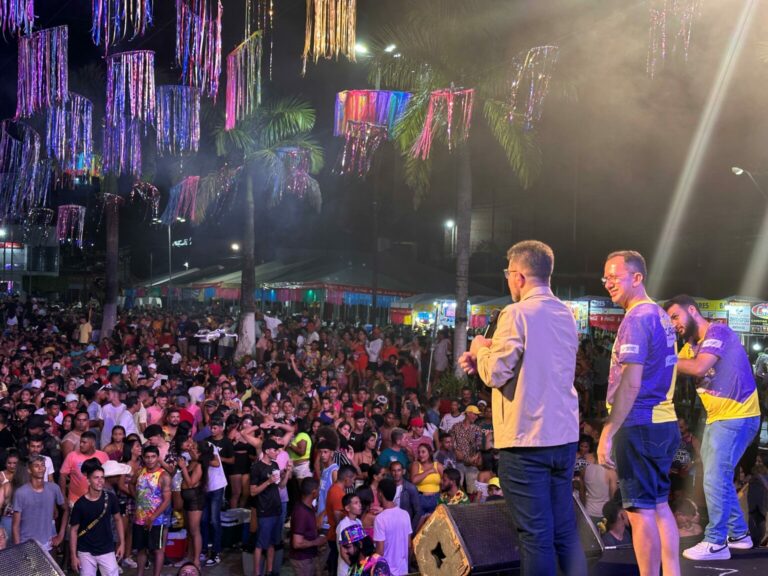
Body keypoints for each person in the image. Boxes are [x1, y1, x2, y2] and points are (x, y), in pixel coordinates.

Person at [459, 240, 587, 576]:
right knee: (564, 531)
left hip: (526, 440)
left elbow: (495, 372)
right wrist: (485, 360)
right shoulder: (565, 314)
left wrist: (479, 349)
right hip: (563, 438)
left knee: (535, 536)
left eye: (507, 274)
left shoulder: (516, 313)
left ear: (517, 275)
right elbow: (534, 366)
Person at [597, 250, 680, 576]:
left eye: (614, 277)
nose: (608, 284)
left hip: (640, 425)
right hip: (663, 423)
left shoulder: (637, 318)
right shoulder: (659, 314)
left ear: (637, 277)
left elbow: (630, 382)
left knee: (639, 511)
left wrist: (608, 431)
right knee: (659, 506)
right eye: (605, 278)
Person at [665, 294, 761, 560]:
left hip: (737, 416)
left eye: (675, 316)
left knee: (714, 478)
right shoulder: (689, 346)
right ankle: (738, 534)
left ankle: (716, 542)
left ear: (692, 311)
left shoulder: (718, 330)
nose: (673, 324)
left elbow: (698, 367)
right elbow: (673, 371)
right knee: (717, 477)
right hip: (719, 418)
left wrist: (666, 361)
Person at [69, 461, 125, 576]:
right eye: (96, 478)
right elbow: (73, 530)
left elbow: (118, 519)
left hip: (107, 549)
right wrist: (73, 556)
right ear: (88, 480)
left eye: (102, 478)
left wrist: (122, 543)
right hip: (85, 551)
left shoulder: (111, 498)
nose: (100, 481)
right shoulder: (80, 504)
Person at [12, 456, 68, 551]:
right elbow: (15, 525)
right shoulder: (21, 493)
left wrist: (61, 535)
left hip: (48, 543)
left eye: (42, 465)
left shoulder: (54, 488)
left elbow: (66, 509)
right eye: (36, 466)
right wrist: (19, 550)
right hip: (26, 544)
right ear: (29, 470)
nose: (40, 468)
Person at [132, 445, 172, 576]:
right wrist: (136, 498)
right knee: (141, 549)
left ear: (158, 458)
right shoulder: (140, 472)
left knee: (158, 550)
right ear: (143, 458)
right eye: (147, 457)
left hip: (157, 520)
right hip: (139, 518)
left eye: (153, 457)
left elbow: (166, 500)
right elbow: (131, 484)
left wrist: (153, 516)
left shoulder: (164, 475)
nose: (150, 460)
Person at [250, 438, 287, 576]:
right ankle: (256, 572)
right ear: (266, 451)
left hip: (276, 507)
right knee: (260, 544)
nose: (278, 452)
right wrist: (268, 481)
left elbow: (281, 485)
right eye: (275, 450)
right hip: (264, 509)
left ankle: (269, 571)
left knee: (272, 542)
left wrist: (286, 472)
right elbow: (253, 491)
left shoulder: (275, 465)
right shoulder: (256, 467)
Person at [60, 431, 110, 506]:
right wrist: (63, 496)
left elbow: (109, 476)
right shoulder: (72, 455)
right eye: (80, 442)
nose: (81, 445)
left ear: (92, 443)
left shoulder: (103, 456)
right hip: (75, 500)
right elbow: (62, 476)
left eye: (84, 442)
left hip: (98, 500)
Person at [373, 477, 411, 576]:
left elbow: (380, 552)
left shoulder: (380, 519)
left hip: (387, 571)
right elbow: (409, 544)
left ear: (380, 493)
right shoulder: (405, 514)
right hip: (403, 569)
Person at [290, 477, 326, 576]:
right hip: (302, 559)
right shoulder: (301, 512)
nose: (319, 491)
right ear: (314, 492)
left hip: (310, 556)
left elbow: (314, 524)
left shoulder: (309, 507)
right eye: (318, 489)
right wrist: (316, 542)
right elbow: (297, 543)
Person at [337, 493, 363, 576]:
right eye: (356, 503)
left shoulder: (359, 522)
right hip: (346, 570)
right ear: (347, 508)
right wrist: (355, 568)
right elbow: (344, 552)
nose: (360, 505)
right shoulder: (343, 525)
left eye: (359, 502)